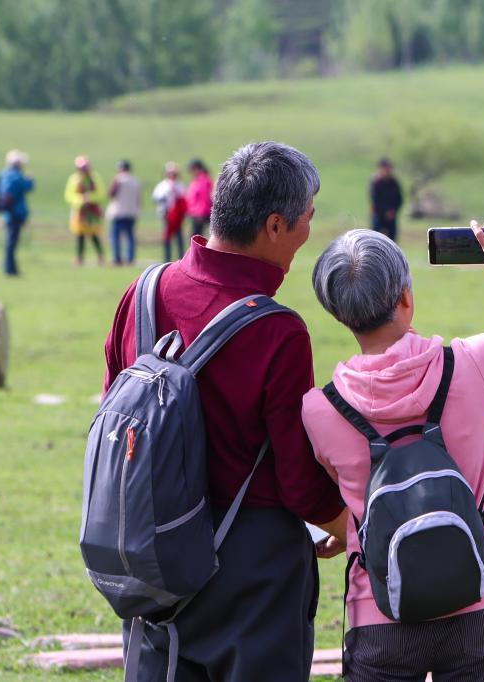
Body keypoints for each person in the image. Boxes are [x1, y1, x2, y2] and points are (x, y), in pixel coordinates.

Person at [104, 142, 348, 681]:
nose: (310, 233)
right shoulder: (278, 330)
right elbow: (299, 483)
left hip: (150, 554)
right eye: (308, 218)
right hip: (251, 571)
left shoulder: (141, 293)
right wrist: (351, 527)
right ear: (276, 225)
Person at [303, 223, 484, 681]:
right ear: (406, 298)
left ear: (338, 314)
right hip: (480, 599)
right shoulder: (473, 364)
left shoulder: (319, 410)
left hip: (380, 612)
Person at [0, 150, 34, 277]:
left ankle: (11, 267)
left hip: (10, 213)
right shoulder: (15, 175)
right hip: (14, 213)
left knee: (11, 241)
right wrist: (29, 180)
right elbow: (26, 187)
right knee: (11, 241)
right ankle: (9, 268)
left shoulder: (4, 174)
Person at [64, 155, 106, 266]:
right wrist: (80, 200)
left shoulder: (95, 178)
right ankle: (80, 258)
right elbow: (69, 195)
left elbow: (101, 193)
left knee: (94, 235)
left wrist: (90, 197)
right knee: (80, 236)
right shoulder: (74, 179)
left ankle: (101, 257)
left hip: (93, 212)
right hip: (79, 212)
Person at [106, 160, 141, 266]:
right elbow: (138, 198)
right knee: (130, 237)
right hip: (131, 212)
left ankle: (117, 259)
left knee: (116, 237)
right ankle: (130, 258)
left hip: (119, 212)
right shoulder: (135, 181)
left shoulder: (118, 180)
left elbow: (111, 194)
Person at [152, 162, 187, 262]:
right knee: (167, 236)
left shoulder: (180, 185)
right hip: (166, 213)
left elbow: (184, 198)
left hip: (178, 215)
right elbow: (156, 197)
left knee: (179, 236)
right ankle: (167, 258)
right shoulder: (162, 185)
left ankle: (181, 257)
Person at [369, 157, 403, 241]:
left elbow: (399, 199)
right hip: (378, 214)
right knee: (375, 238)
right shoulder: (376, 182)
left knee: (392, 240)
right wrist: (386, 211)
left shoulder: (394, 183)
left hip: (391, 215)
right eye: (386, 167)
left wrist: (393, 210)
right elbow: (375, 199)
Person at [185, 158, 213, 239]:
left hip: (200, 214)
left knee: (196, 238)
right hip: (195, 213)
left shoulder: (203, 180)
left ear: (197, 168)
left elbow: (203, 198)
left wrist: (200, 214)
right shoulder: (196, 180)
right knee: (195, 237)